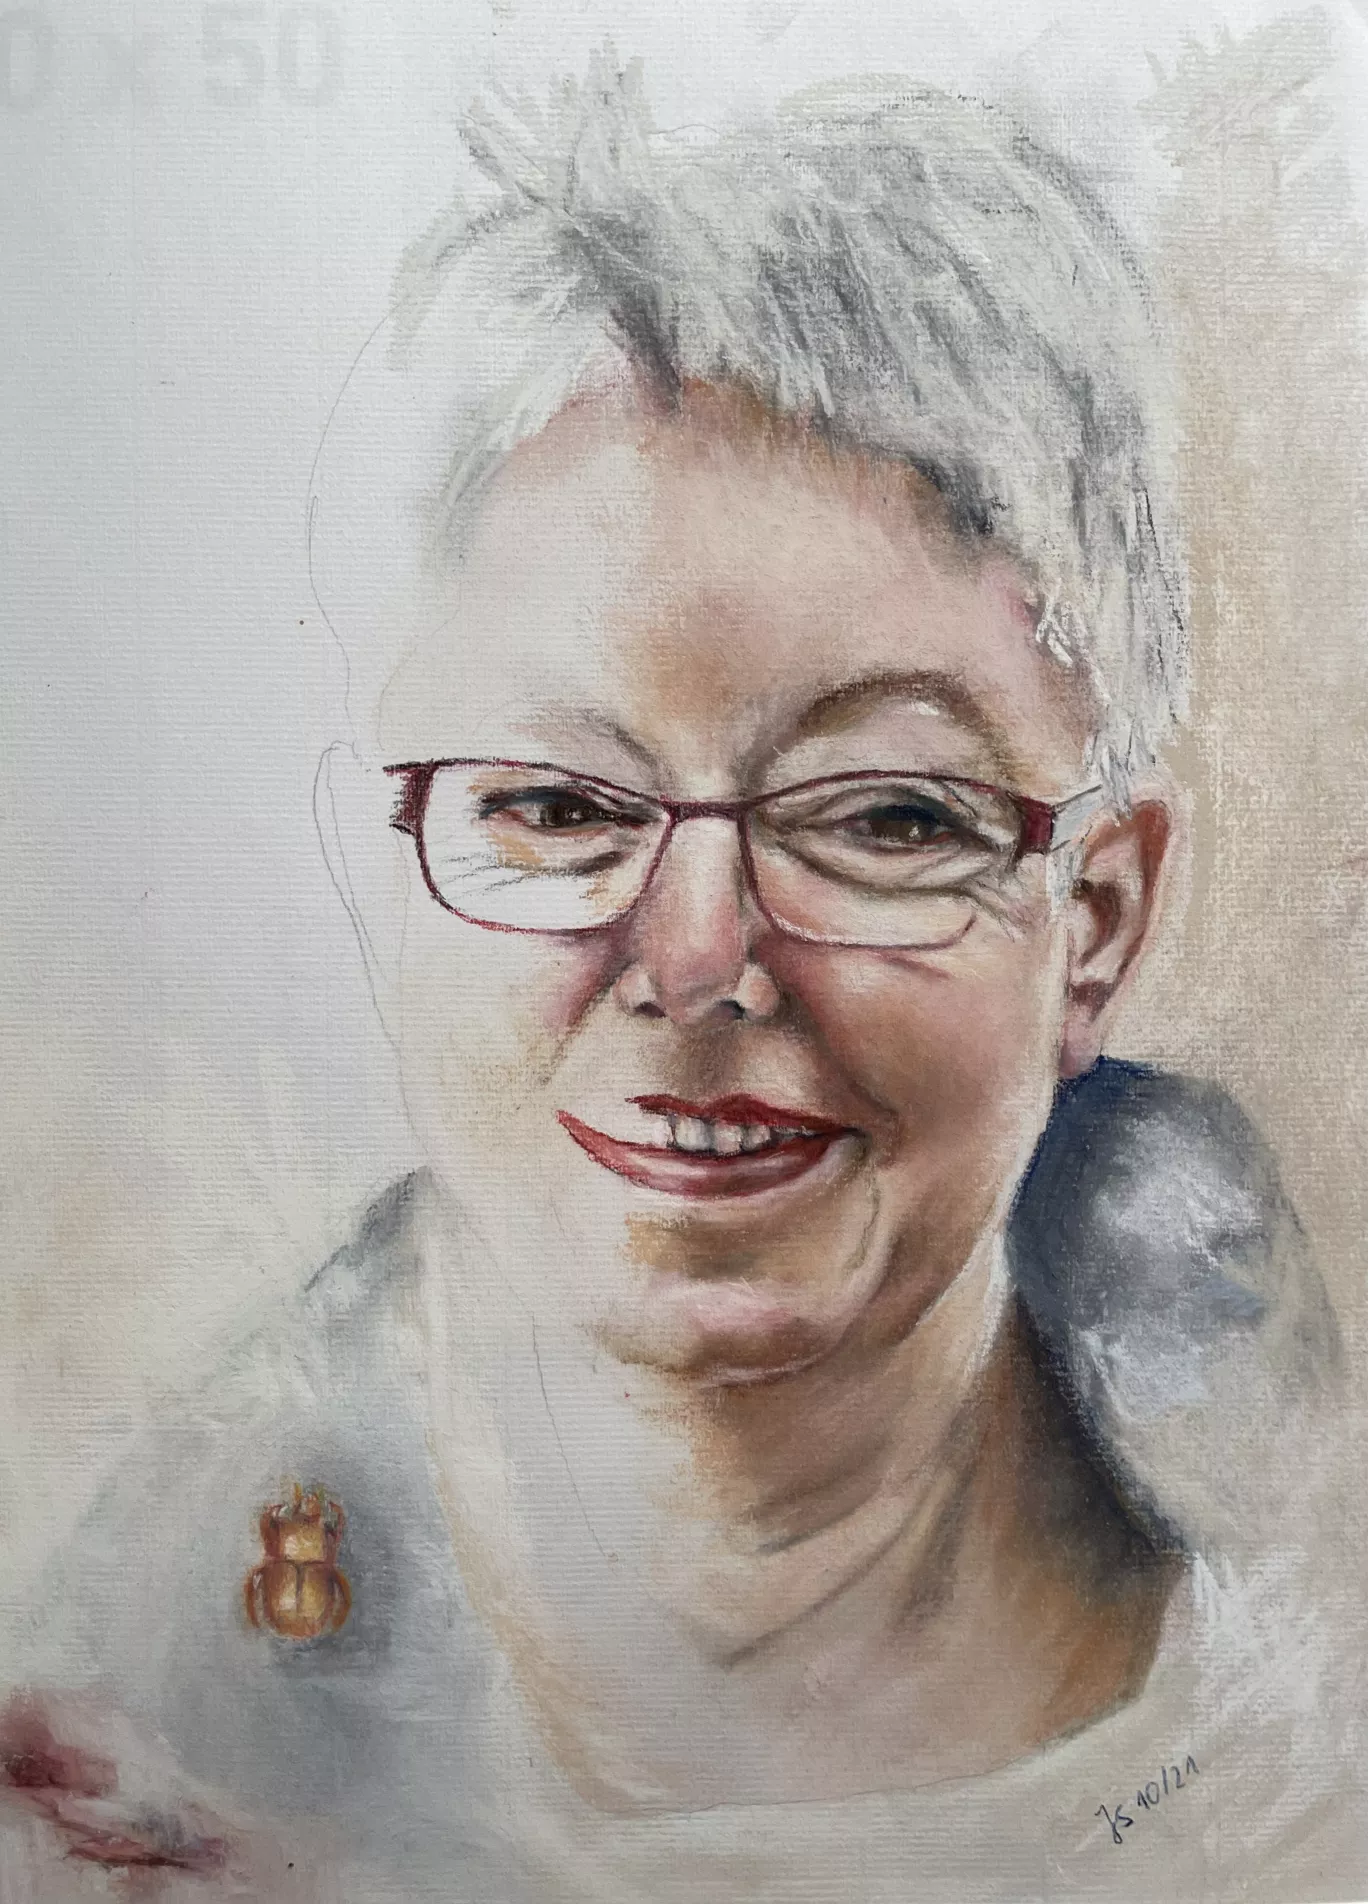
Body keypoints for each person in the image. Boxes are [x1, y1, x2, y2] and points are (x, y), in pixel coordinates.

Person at [3, 58, 1349, 1902]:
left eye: (885, 815)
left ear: (1095, 926)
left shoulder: (1314, 1661)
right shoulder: (116, 1749)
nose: (702, 955)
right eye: (557, 805)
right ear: (384, 868)